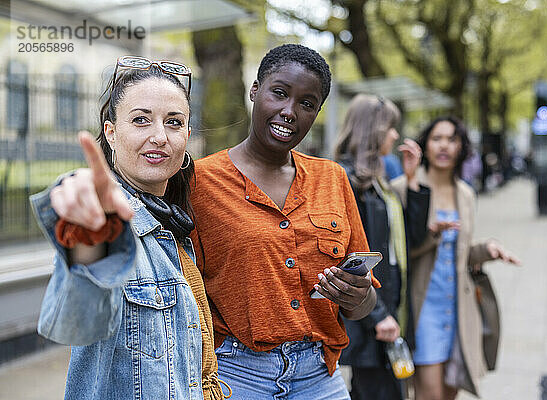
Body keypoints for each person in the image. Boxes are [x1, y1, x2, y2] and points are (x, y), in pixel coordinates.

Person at [30, 58, 227, 399]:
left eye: (174, 123)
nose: (159, 137)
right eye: (140, 120)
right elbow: (77, 320)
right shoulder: (112, 225)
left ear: (188, 137)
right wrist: (92, 237)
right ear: (111, 132)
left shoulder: (173, 226)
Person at [189, 44, 377, 399]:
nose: (289, 111)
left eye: (307, 104)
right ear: (255, 90)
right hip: (236, 373)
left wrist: (359, 293)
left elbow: (361, 306)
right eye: (279, 93)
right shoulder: (199, 182)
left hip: (319, 375)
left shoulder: (333, 179)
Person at [391, 116, 521, 400]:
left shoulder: (465, 193)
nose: (444, 146)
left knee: (451, 391)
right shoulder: (404, 186)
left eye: (452, 139)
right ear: (426, 144)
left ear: (461, 147)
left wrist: (487, 250)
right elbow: (402, 252)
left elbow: (460, 252)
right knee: (430, 393)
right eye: (437, 138)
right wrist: (432, 233)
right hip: (424, 306)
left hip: (458, 307)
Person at [334, 94, 430, 400]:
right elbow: (351, 259)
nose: (394, 135)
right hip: (372, 317)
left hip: (391, 308)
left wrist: (411, 180)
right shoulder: (348, 180)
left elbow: (408, 241)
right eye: (390, 127)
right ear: (372, 130)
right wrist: (378, 315)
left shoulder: (378, 179)